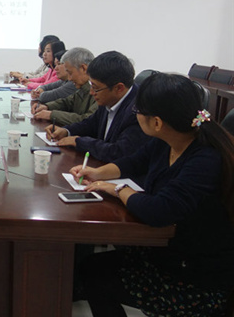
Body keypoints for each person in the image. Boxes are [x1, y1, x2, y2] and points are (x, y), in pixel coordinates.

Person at [70, 73, 234, 316]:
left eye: (138, 110)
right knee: (91, 266)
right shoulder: (168, 139)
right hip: (169, 250)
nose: (135, 114)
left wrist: (118, 189)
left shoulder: (205, 159)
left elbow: (159, 210)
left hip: (194, 275)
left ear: (157, 122)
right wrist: (97, 173)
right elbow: (134, 162)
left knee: (97, 276)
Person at [45, 50, 149, 162]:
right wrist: (67, 131)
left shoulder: (139, 111)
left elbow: (119, 152)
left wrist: (79, 142)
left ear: (119, 88)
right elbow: (92, 123)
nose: (91, 92)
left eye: (95, 88)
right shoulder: (109, 98)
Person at [33, 47, 97, 126]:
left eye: (70, 73)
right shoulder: (82, 87)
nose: (69, 78)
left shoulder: (98, 91)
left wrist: (52, 115)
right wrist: (47, 106)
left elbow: (87, 120)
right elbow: (67, 102)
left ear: (83, 68)